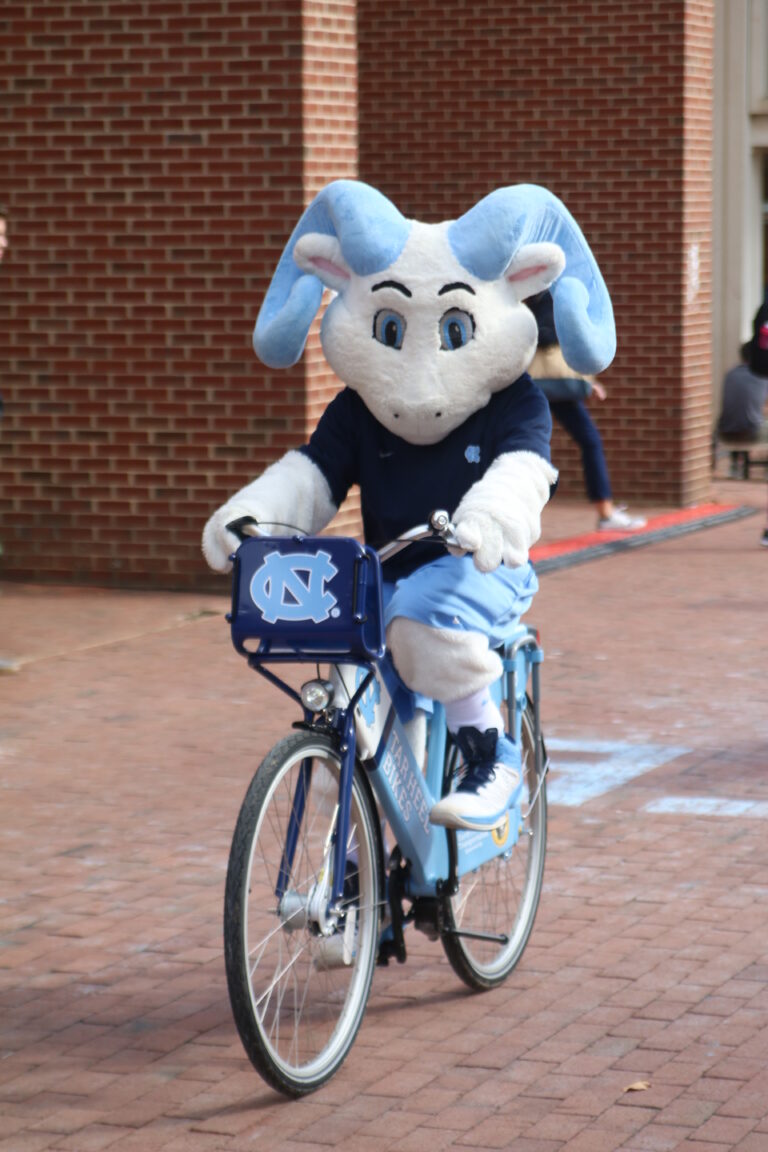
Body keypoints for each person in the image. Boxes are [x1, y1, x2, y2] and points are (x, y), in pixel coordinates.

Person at [202, 181, 616, 831]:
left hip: (481, 570)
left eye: (455, 329)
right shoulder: (360, 409)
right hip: (383, 578)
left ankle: (491, 752)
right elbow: (313, 474)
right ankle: (355, 879)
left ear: (522, 286)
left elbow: (524, 468)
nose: (420, 372)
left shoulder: (514, 401)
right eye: (390, 329)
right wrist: (254, 516)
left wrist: (492, 515)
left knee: (425, 615)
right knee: (360, 720)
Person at [526, 290, 645, 532]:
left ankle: (605, 512)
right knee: (587, 441)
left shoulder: (528, 295)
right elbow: (550, 337)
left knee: (526, 446)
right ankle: (605, 513)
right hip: (552, 383)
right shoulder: (552, 297)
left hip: (533, 383)